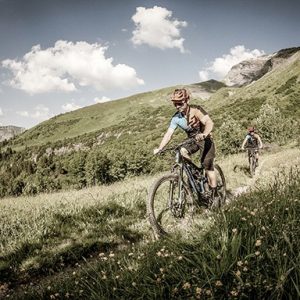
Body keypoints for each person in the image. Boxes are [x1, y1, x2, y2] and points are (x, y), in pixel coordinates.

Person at [153, 88, 217, 197]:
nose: (178, 106)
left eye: (180, 103)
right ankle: (194, 174)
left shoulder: (196, 110)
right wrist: (160, 148)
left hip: (205, 138)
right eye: (175, 104)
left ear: (187, 100)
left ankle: (215, 195)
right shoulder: (176, 118)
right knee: (182, 150)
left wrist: (204, 134)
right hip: (192, 139)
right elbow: (168, 134)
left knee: (207, 166)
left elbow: (209, 122)